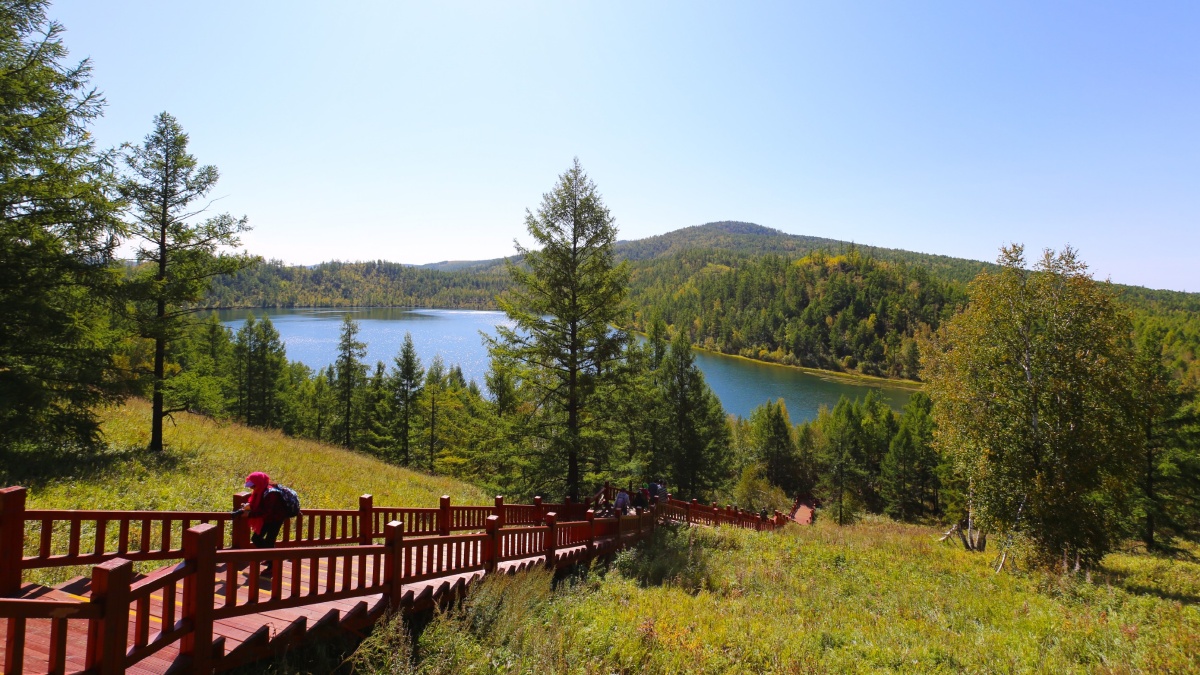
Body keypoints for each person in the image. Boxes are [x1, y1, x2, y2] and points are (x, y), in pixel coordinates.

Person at [237, 472, 289, 574]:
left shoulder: (271, 493)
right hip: (267, 519)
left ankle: (273, 565)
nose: (252, 488)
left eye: (253, 486)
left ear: (259, 483)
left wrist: (249, 514)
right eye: (250, 486)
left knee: (269, 541)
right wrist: (247, 507)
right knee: (256, 538)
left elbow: (266, 511)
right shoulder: (260, 490)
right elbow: (257, 505)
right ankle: (271, 558)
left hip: (275, 519)